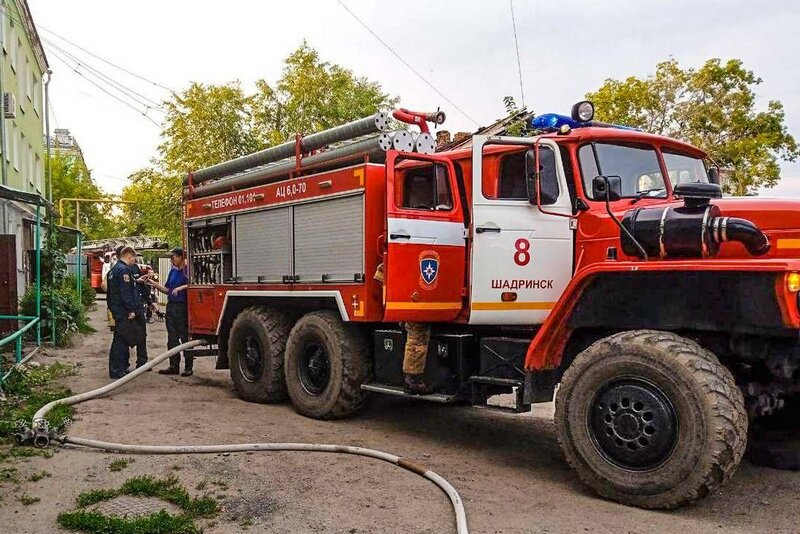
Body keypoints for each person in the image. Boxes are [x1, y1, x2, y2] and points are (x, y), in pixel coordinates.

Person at [149, 247, 191, 376]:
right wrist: (154, 284)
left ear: (180, 257)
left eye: (173, 258)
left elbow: (193, 285)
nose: (171, 260)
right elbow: (168, 290)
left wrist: (180, 288)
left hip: (183, 306)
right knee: (172, 337)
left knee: (185, 337)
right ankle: (173, 365)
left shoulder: (187, 270)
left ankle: (188, 367)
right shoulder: (172, 271)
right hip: (171, 306)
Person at [106, 246, 143, 379]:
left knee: (119, 339)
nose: (135, 261)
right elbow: (125, 293)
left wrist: (112, 309)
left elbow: (109, 294)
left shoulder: (113, 270)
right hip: (123, 312)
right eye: (134, 258)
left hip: (117, 310)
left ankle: (118, 368)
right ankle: (117, 370)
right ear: (129, 256)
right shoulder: (124, 271)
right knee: (121, 342)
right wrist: (131, 310)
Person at [130, 260, 155, 370]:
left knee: (142, 335)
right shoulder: (121, 269)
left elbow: (142, 287)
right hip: (128, 309)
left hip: (139, 307)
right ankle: (123, 365)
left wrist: (150, 303)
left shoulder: (135, 267)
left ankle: (142, 362)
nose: (134, 260)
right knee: (125, 337)